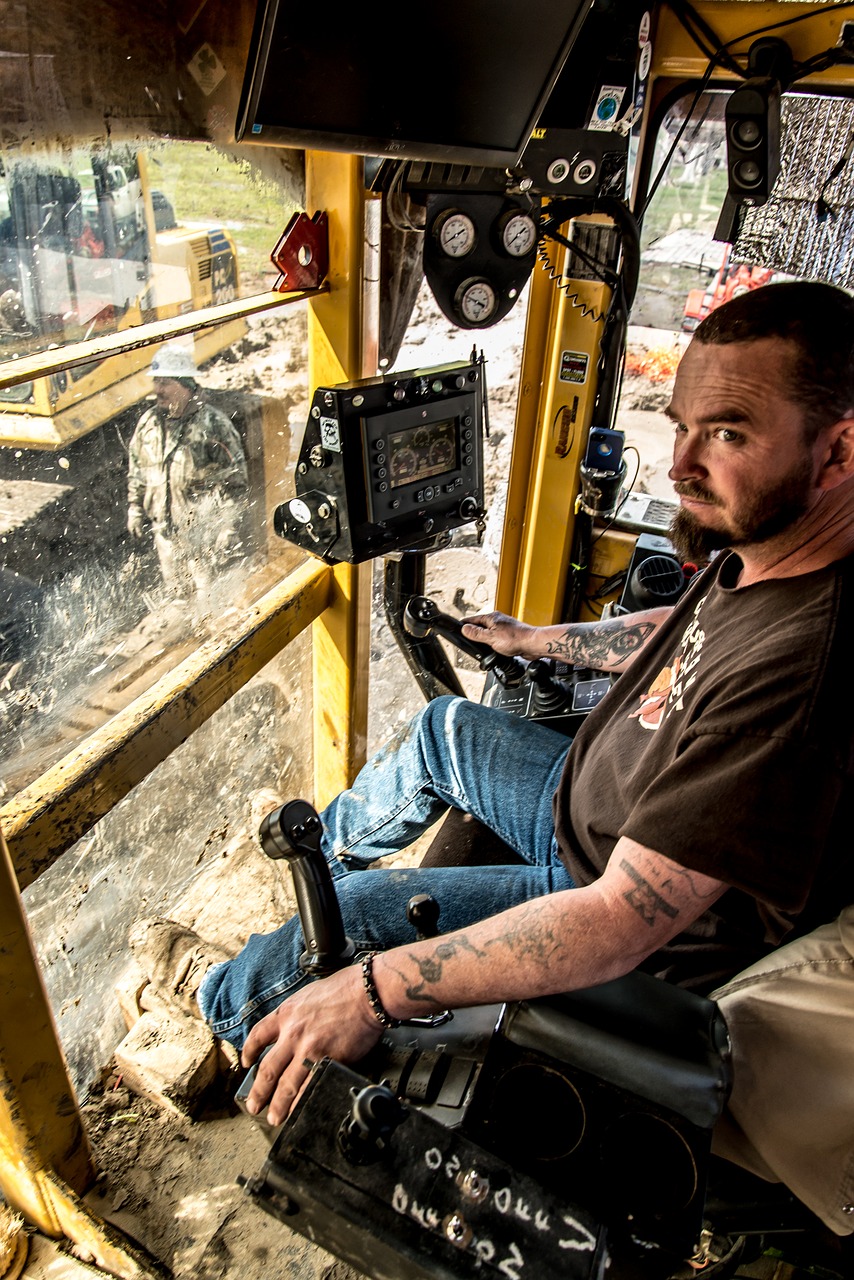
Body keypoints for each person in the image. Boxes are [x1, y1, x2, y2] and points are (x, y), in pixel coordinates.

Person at [132, 281, 854, 1148]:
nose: (679, 464)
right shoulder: (774, 547)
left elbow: (619, 922)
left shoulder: (806, 672)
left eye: (727, 434)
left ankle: (222, 1007)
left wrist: (375, 988)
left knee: (362, 917)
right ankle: (307, 874)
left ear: (839, 452)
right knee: (447, 728)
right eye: (683, 424)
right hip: (590, 808)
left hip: (600, 898)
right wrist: (539, 639)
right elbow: (682, 625)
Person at [127, 345, 248, 598]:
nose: (157, 390)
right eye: (155, 382)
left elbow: (235, 484)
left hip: (203, 537)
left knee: (209, 600)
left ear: (185, 384)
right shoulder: (149, 423)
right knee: (178, 597)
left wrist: (228, 528)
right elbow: (137, 467)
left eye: (164, 382)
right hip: (165, 534)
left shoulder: (214, 426)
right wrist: (135, 508)